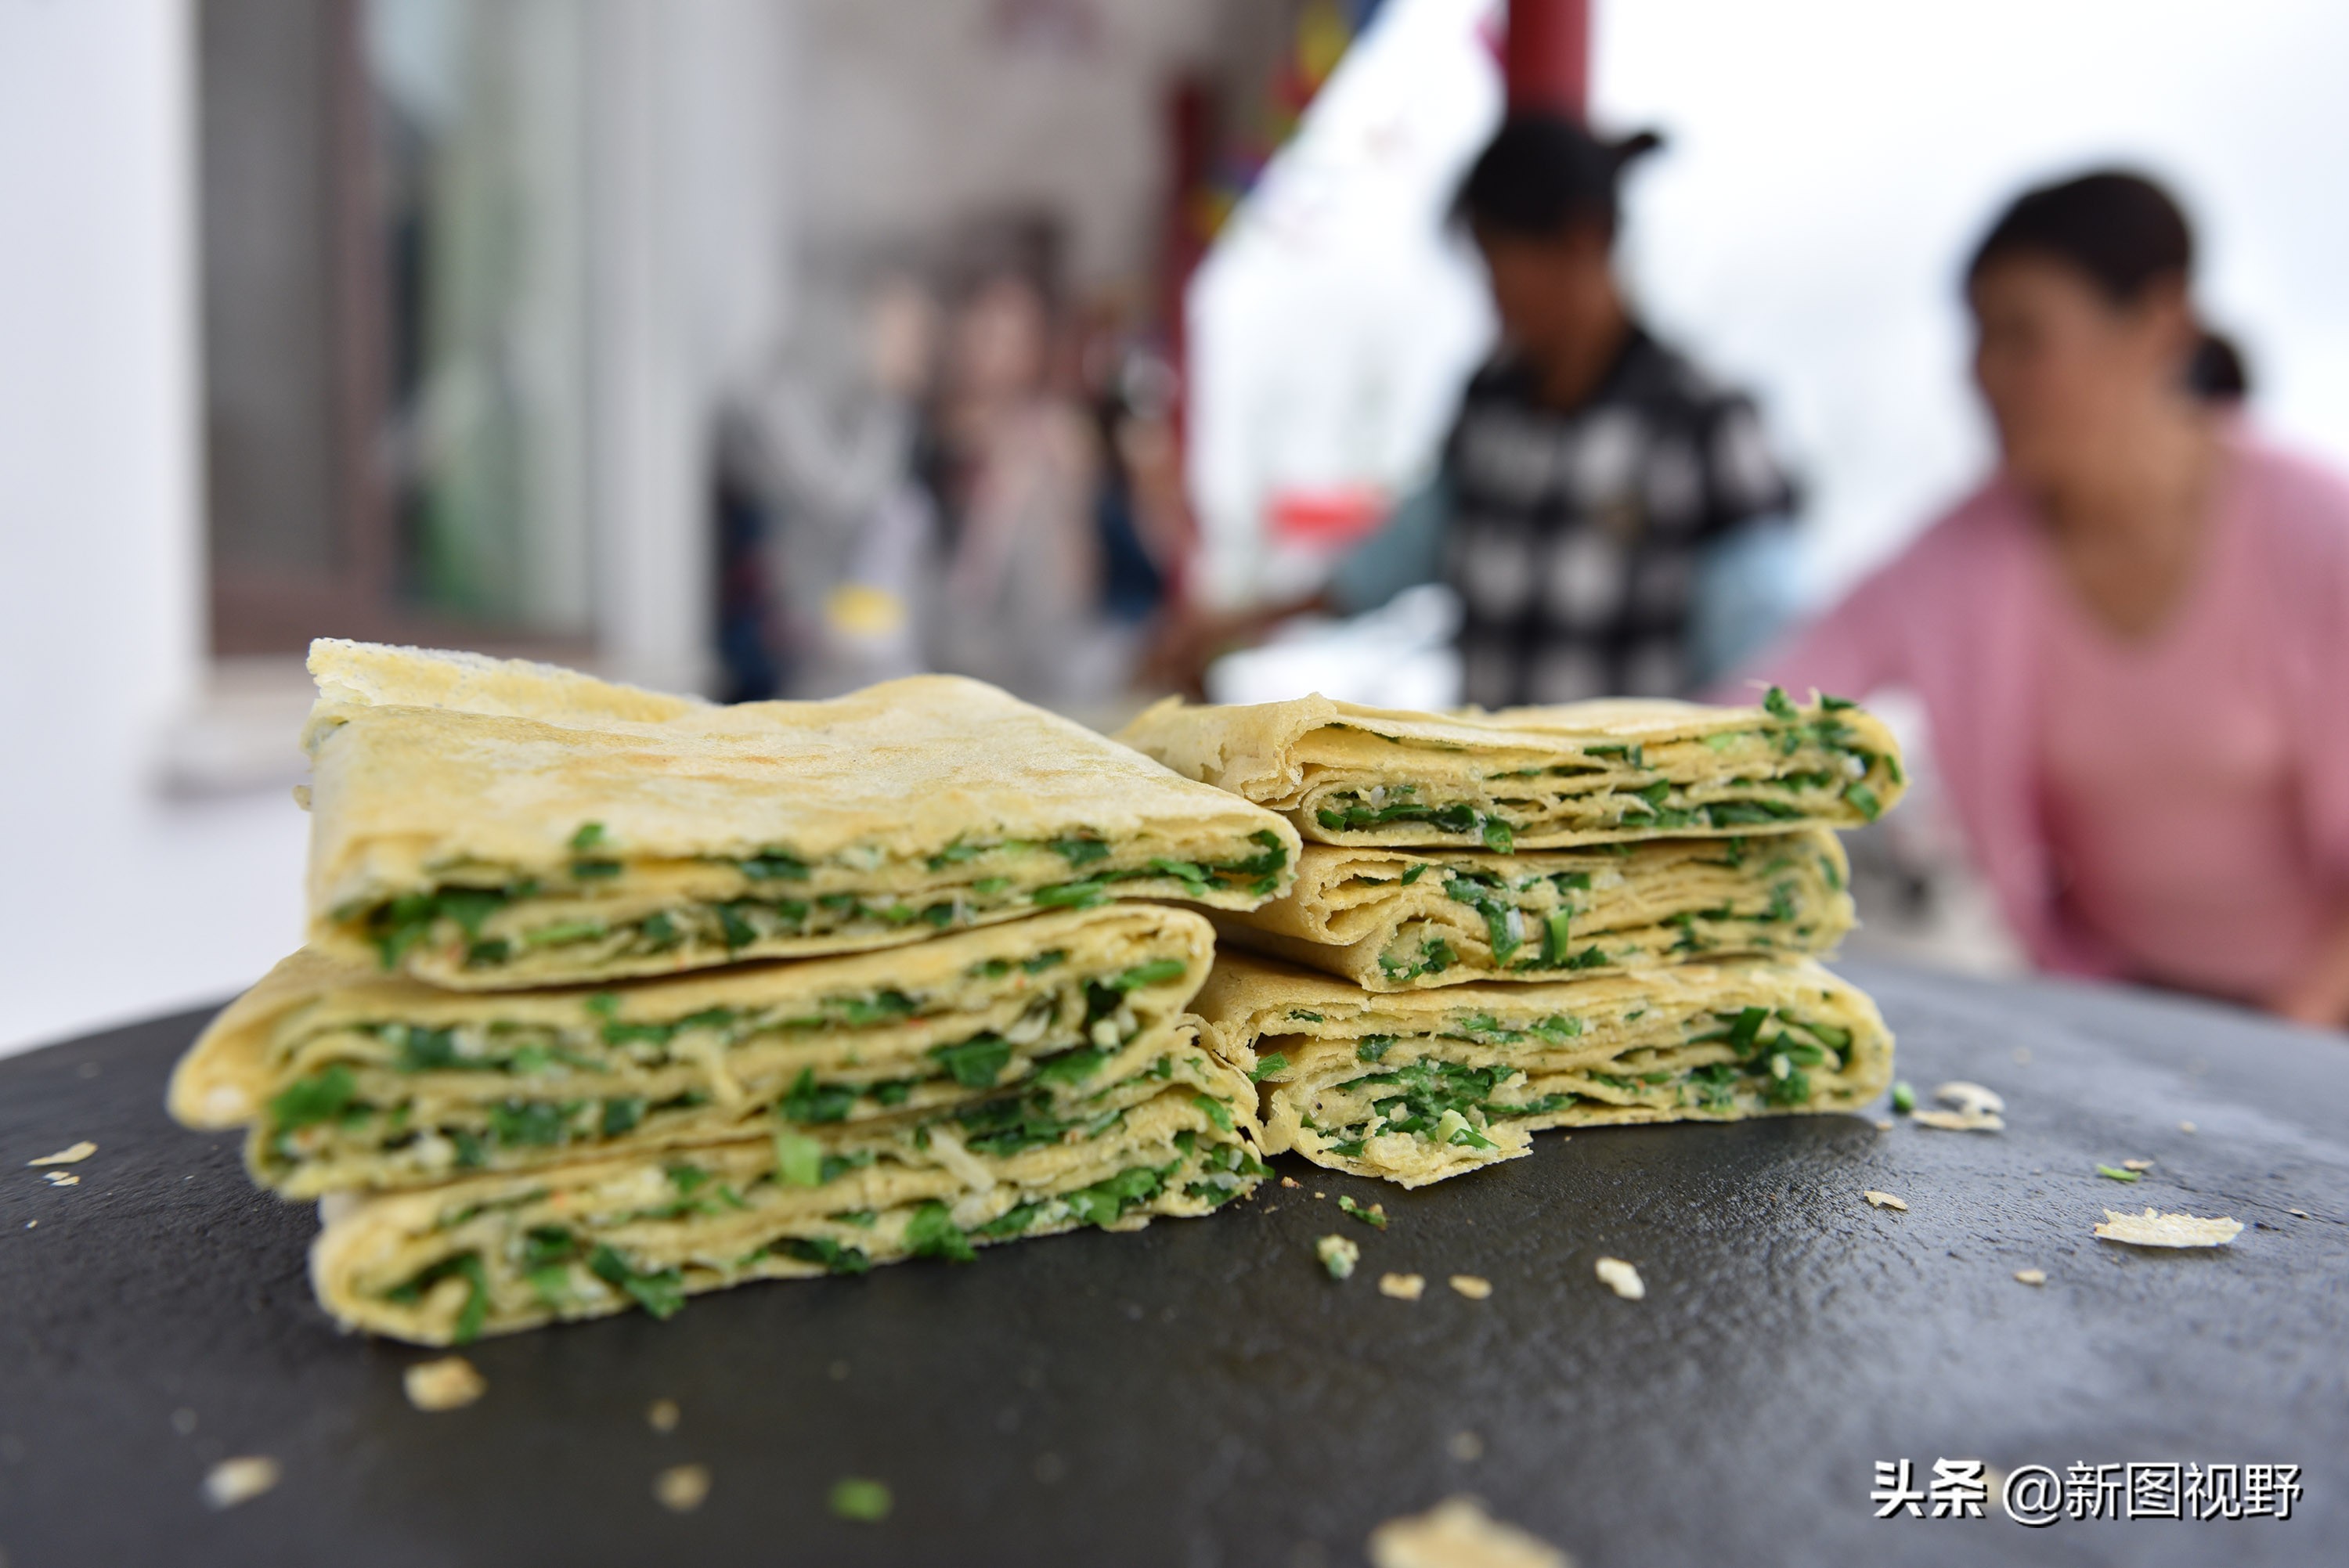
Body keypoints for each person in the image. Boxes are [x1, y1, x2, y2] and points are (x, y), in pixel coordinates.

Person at [1748, 171, 2349, 1028]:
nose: (1987, 374)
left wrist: (2293, 1030)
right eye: (1980, 338)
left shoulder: (2317, 529)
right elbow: (1766, 701)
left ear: (2157, 325)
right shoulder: (1960, 559)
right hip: (2125, 1018)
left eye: (2023, 336)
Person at [1160, 114, 1802, 705]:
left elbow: (1760, 657)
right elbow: (1394, 558)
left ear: (1581, 240)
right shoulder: (1491, 411)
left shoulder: (1706, 424)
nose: (1494, 298)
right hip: (1491, 814)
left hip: (1643, 822)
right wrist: (1237, 623)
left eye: (1500, 267)